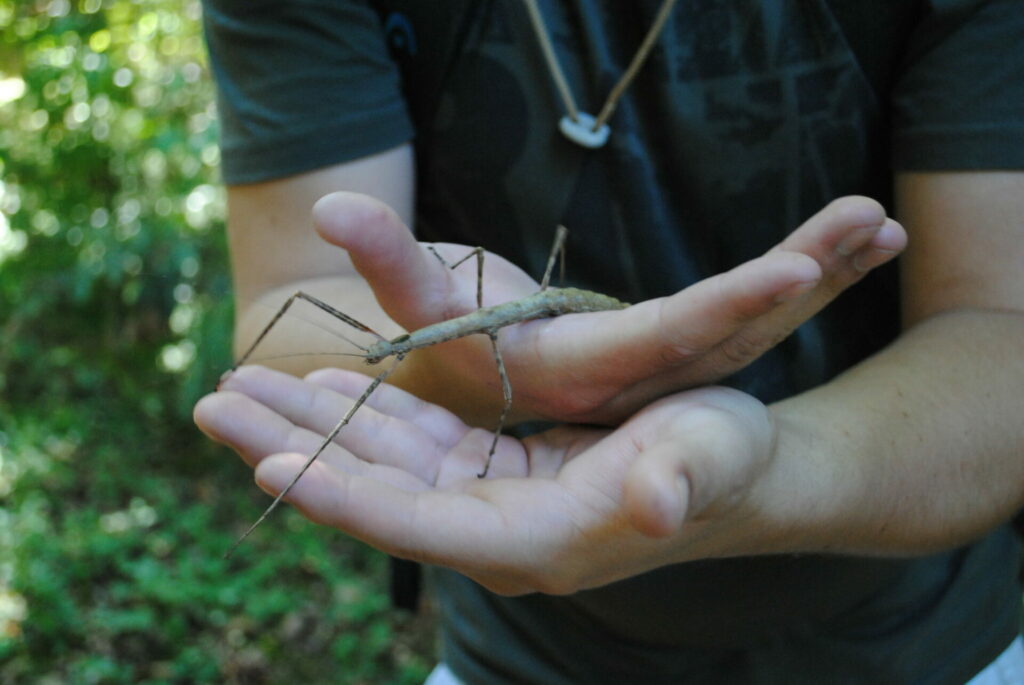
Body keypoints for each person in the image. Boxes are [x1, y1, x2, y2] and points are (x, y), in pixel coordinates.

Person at [193, 1, 1024, 682]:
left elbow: (1001, 330)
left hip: (934, 642)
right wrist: (462, 377)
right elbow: (288, 305)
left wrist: (772, 470)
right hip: (518, 656)